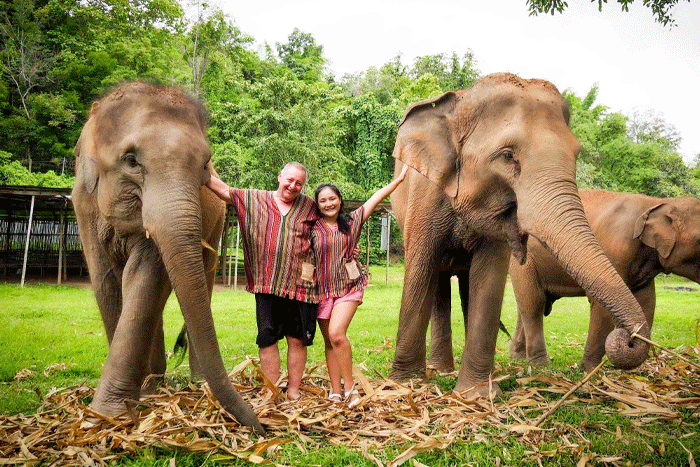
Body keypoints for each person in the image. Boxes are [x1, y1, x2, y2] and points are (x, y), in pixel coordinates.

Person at [206, 162, 319, 400]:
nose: (293, 186)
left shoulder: (310, 206)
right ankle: (271, 390)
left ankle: (294, 391)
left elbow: (333, 225)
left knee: (297, 340)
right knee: (267, 339)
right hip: (266, 284)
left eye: (299, 183)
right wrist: (199, 167)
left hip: (301, 286)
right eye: (289, 180)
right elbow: (224, 191)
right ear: (280, 176)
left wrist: (350, 247)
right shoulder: (255, 199)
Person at [312, 164, 408, 408]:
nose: (328, 204)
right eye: (323, 200)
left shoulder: (352, 221)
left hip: (348, 287)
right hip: (321, 291)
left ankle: (350, 388)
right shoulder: (311, 228)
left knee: (337, 334)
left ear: (340, 200)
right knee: (329, 342)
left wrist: (398, 181)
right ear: (317, 204)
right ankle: (335, 391)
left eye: (332, 198)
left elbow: (375, 198)